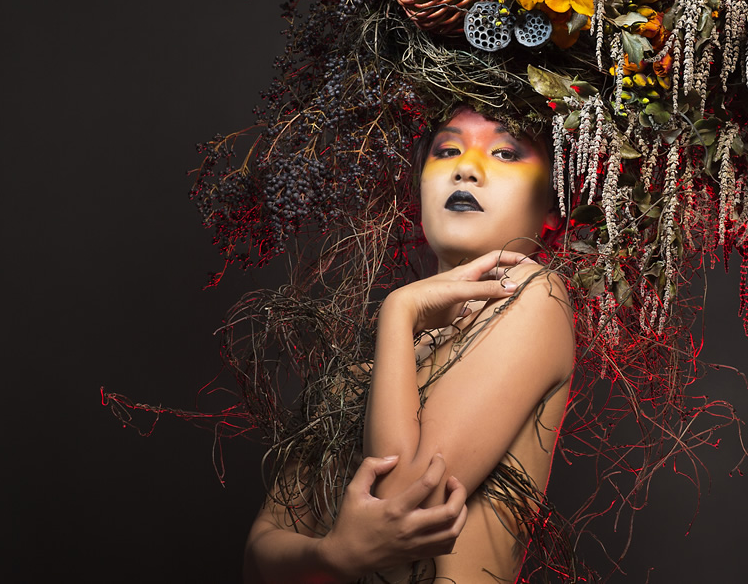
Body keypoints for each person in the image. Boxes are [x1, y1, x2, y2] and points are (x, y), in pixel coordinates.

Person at [243, 107, 576, 583]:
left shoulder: (536, 295)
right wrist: (335, 556)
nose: (466, 168)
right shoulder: (365, 369)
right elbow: (258, 557)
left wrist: (398, 311)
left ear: (553, 209)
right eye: (448, 150)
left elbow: (401, 499)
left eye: (505, 153)